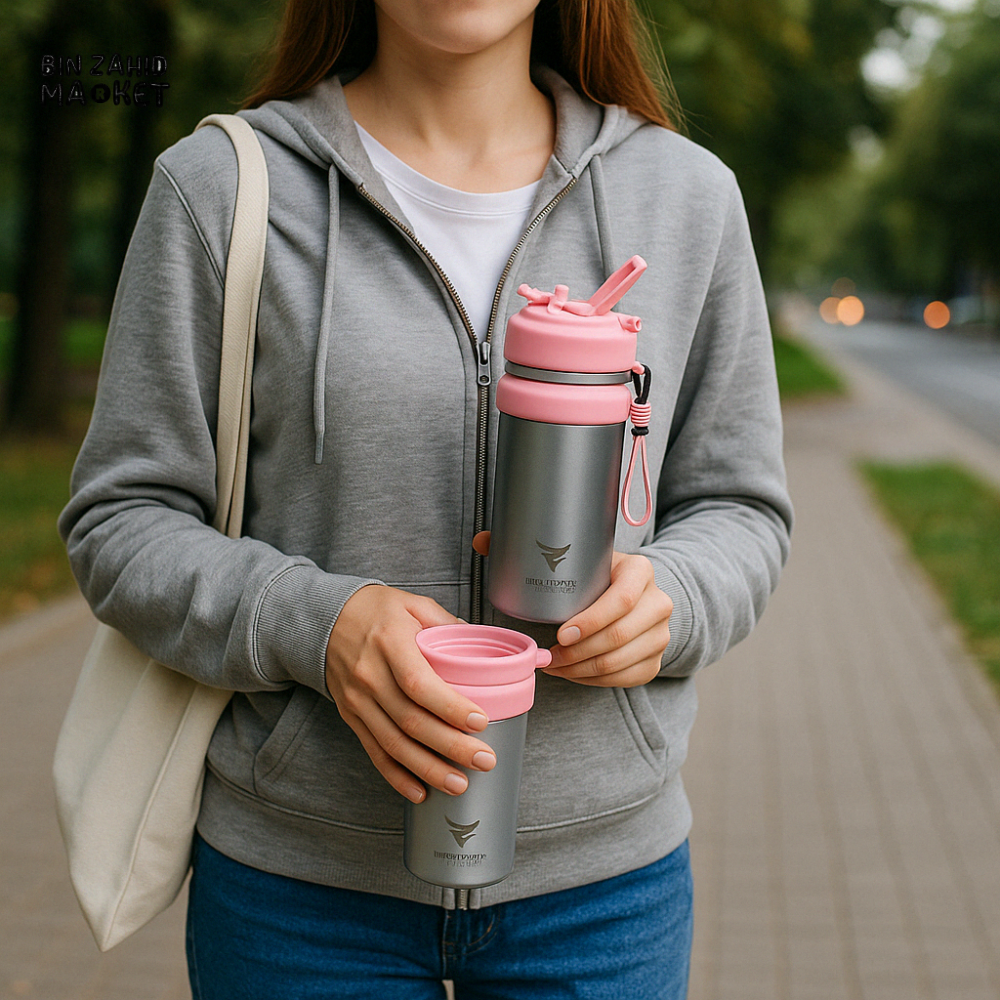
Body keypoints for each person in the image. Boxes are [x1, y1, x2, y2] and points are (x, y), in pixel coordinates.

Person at [59, 0, 792, 996]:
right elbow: (120, 518)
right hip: (298, 895)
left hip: (601, 895)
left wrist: (675, 597)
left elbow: (743, 506)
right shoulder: (223, 188)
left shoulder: (685, 195)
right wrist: (322, 625)